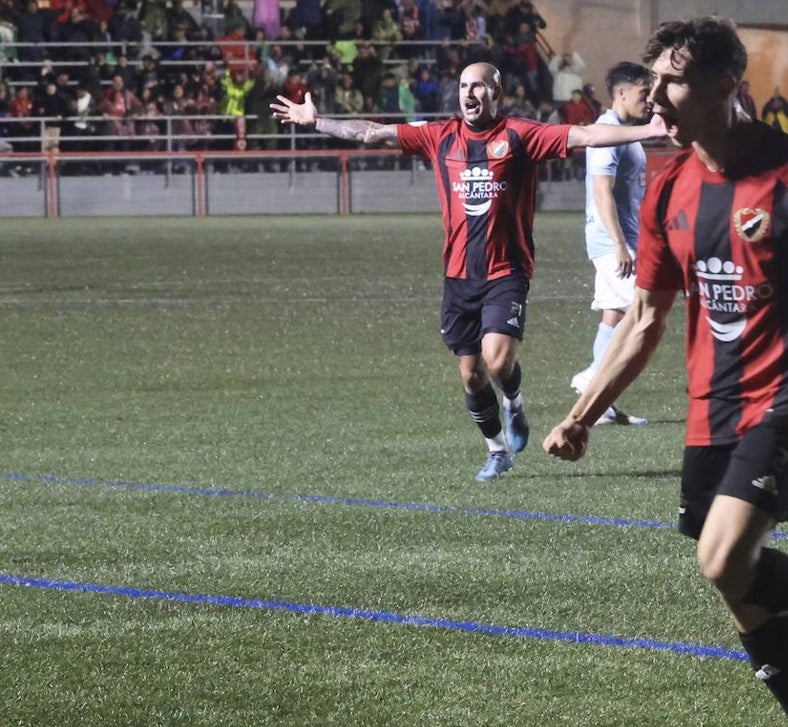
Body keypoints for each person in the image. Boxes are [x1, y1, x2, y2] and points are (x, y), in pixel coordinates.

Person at [543, 17, 788, 727]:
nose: (657, 96)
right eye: (655, 80)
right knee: (734, 582)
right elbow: (644, 322)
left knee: (723, 557)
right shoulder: (669, 187)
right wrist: (583, 413)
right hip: (712, 403)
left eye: (673, 81)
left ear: (726, 85)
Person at [272, 62, 667, 481]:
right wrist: (317, 122)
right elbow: (372, 132)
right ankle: (497, 450)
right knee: (470, 374)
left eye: (479, 86)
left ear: (496, 93)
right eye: (463, 85)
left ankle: (513, 400)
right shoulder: (440, 135)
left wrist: (650, 131)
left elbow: (586, 135)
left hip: (506, 272)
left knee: (497, 361)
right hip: (459, 276)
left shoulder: (520, 134)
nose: (469, 93)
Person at [570, 61, 654, 426]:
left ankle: (602, 405)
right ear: (622, 92)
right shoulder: (606, 130)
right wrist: (620, 245)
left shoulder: (623, 130)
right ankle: (593, 379)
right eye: (643, 92)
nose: (649, 99)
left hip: (623, 238)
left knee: (614, 315)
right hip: (611, 242)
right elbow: (601, 190)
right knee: (643, 312)